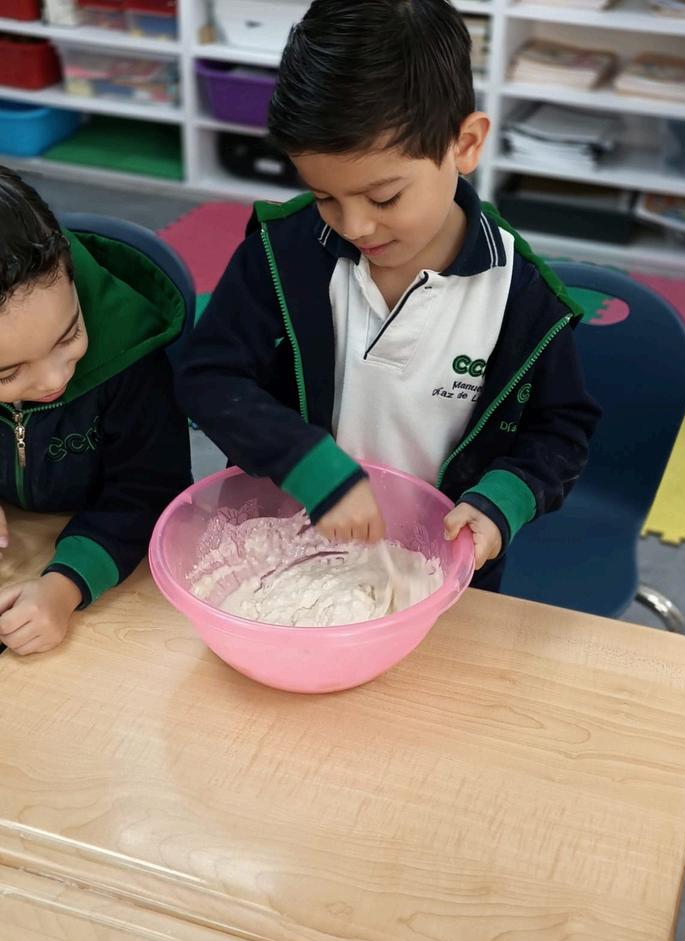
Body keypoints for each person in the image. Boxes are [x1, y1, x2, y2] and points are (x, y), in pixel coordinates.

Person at [176, 0, 600, 590]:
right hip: (281, 546)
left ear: (464, 144)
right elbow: (208, 376)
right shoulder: (282, 254)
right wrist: (307, 463)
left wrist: (502, 500)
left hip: (438, 565)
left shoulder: (521, 298)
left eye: (384, 198)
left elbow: (559, 431)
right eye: (325, 197)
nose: (355, 226)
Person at [0, 166, 192, 655]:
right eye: (7, 374)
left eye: (68, 336)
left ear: (70, 271)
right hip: (22, 543)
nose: (53, 380)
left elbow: (148, 490)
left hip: (102, 551)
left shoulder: (131, 362)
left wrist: (64, 586)